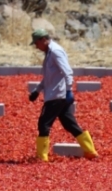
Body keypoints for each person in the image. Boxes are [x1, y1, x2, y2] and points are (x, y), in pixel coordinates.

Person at [28, 29, 98, 162]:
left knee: (43, 124)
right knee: (69, 124)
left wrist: (68, 91)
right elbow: (49, 77)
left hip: (57, 95)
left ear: (43, 39)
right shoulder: (49, 52)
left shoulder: (55, 51)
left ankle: (41, 157)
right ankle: (90, 151)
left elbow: (67, 72)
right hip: (56, 94)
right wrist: (37, 91)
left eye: (37, 43)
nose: (36, 47)